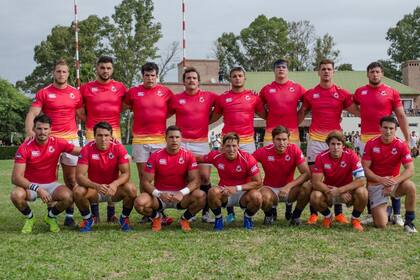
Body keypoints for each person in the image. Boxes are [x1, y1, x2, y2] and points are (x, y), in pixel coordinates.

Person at [299, 58, 359, 225]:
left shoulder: (342, 93)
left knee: (338, 174)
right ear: (318, 72)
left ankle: (339, 213)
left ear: (334, 72)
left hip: (335, 140)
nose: (326, 71)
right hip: (316, 141)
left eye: (329, 69)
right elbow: (300, 114)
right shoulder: (310, 94)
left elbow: (358, 111)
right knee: (313, 177)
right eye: (323, 69)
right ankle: (314, 214)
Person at [24, 59, 84, 227]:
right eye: (58, 71)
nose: (61, 74)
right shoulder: (44, 92)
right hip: (49, 139)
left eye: (64, 72)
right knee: (51, 178)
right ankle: (52, 214)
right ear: (54, 73)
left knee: (71, 179)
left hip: (70, 138)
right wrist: (30, 131)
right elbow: (32, 113)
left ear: (68, 74)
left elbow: (82, 115)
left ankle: (70, 214)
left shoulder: (75, 93)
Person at [354, 61, 410, 226]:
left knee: (393, 173)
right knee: (369, 178)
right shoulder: (360, 92)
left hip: (387, 137)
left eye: (378, 71)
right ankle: (372, 213)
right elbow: (353, 106)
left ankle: (397, 214)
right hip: (366, 140)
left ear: (382, 74)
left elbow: (400, 115)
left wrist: (407, 138)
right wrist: (362, 115)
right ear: (367, 74)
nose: (375, 74)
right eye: (372, 72)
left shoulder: (391, 92)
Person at [210, 67, 265, 222]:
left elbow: (265, 114)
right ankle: (230, 211)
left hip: (247, 141)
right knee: (228, 172)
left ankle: (247, 209)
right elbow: (214, 116)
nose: (237, 78)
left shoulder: (254, 97)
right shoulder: (223, 98)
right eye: (234, 76)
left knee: (248, 174)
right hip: (228, 141)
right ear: (230, 79)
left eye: (240, 76)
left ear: (244, 78)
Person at [10, 115, 81, 233]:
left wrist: (101, 145)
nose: (42, 132)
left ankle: (50, 217)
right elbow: (16, 178)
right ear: (34, 129)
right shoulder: (24, 148)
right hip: (30, 185)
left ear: (50, 129)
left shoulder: (58, 142)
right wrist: (37, 188)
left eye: (45, 129)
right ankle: (30, 218)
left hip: (50, 185)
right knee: (16, 195)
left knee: (69, 197)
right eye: (39, 128)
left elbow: (81, 151)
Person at [125, 62, 174, 225]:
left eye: (153, 75)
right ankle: (148, 211)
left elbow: (172, 109)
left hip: (159, 140)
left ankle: (159, 207)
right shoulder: (133, 92)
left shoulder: (165, 92)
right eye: (147, 75)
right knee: (143, 176)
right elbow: (127, 106)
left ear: (157, 76)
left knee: (158, 176)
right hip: (139, 140)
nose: (150, 78)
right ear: (142, 76)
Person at [80, 56, 127, 223]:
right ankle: (94, 213)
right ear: (97, 69)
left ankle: (111, 212)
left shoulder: (120, 87)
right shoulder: (86, 88)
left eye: (108, 68)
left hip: (114, 133)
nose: (105, 71)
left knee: (111, 170)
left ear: (112, 69)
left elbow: (126, 105)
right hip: (93, 132)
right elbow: (79, 110)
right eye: (102, 68)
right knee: (93, 170)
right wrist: (91, 123)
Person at [259, 58, 306, 220]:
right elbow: (260, 108)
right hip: (270, 133)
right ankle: (271, 205)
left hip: (292, 133)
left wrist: (296, 120)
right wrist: (270, 119)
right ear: (274, 70)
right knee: (271, 165)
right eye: (278, 67)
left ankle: (288, 204)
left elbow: (306, 107)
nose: (281, 69)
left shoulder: (298, 88)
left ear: (288, 70)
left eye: (284, 67)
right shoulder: (266, 89)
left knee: (290, 166)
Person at [133, 126, 205, 232]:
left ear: (181, 139)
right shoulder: (155, 156)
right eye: (171, 137)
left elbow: (196, 180)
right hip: (160, 196)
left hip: (181, 196)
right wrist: (159, 194)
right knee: (140, 203)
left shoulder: (188, 155)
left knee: (201, 196)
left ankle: (185, 219)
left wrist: (182, 193)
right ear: (165, 138)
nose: (174, 140)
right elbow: (145, 181)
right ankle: (157, 218)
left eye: (177, 137)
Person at [169, 67, 217, 223]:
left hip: (201, 142)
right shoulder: (176, 99)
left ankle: (206, 212)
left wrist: (208, 120)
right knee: (187, 177)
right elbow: (164, 112)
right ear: (184, 81)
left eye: (194, 78)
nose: (191, 80)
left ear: (199, 81)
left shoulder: (209, 96)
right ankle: (193, 209)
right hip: (181, 143)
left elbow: (223, 106)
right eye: (188, 78)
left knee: (204, 177)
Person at [74, 122, 137, 232]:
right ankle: (88, 219)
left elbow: (126, 173)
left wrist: (114, 184)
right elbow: (79, 176)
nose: (103, 139)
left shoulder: (119, 148)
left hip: (113, 191)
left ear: (111, 136)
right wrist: (96, 186)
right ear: (94, 136)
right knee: (78, 191)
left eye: (106, 135)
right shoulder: (87, 149)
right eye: (99, 135)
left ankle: (124, 218)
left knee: (131, 189)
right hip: (94, 191)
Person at [197, 132, 262, 230]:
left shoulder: (248, 158)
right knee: (212, 192)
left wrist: (236, 188)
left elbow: (258, 182)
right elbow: (197, 158)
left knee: (257, 197)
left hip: (243, 194)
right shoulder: (216, 156)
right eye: (228, 146)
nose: (231, 149)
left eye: (234, 146)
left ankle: (247, 217)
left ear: (238, 146)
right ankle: (218, 219)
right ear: (222, 146)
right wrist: (179, 154)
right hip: (225, 192)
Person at [362, 116, 416, 233]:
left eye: (391, 128)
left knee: (411, 186)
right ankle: (388, 211)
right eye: (385, 127)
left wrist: (392, 181)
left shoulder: (401, 145)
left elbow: (410, 169)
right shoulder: (371, 144)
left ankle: (409, 223)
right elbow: (365, 168)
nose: (388, 131)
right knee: (381, 224)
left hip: (393, 184)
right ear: (380, 128)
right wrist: (381, 180)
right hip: (376, 183)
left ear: (395, 129)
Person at [310, 131, 367, 231]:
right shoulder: (321, 157)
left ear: (343, 145)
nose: (335, 147)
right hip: (329, 192)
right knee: (315, 196)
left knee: (363, 192)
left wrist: (340, 190)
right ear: (328, 145)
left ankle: (355, 219)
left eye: (338, 144)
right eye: (332, 144)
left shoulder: (351, 155)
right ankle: (328, 216)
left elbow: (362, 180)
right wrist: (333, 191)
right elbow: (316, 182)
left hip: (347, 193)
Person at [253, 126, 311, 226]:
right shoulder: (263, 151)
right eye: (278, 139)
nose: (281, 142)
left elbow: (306, 173)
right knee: (263, 196)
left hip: (290, 190)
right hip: (270, 189)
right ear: (273, 140)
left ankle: (295, 216)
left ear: (288, 140)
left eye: (284, 139)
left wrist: (288, 186)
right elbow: (246, 162)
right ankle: (269, 215)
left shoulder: (294, 149)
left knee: (308, 186)